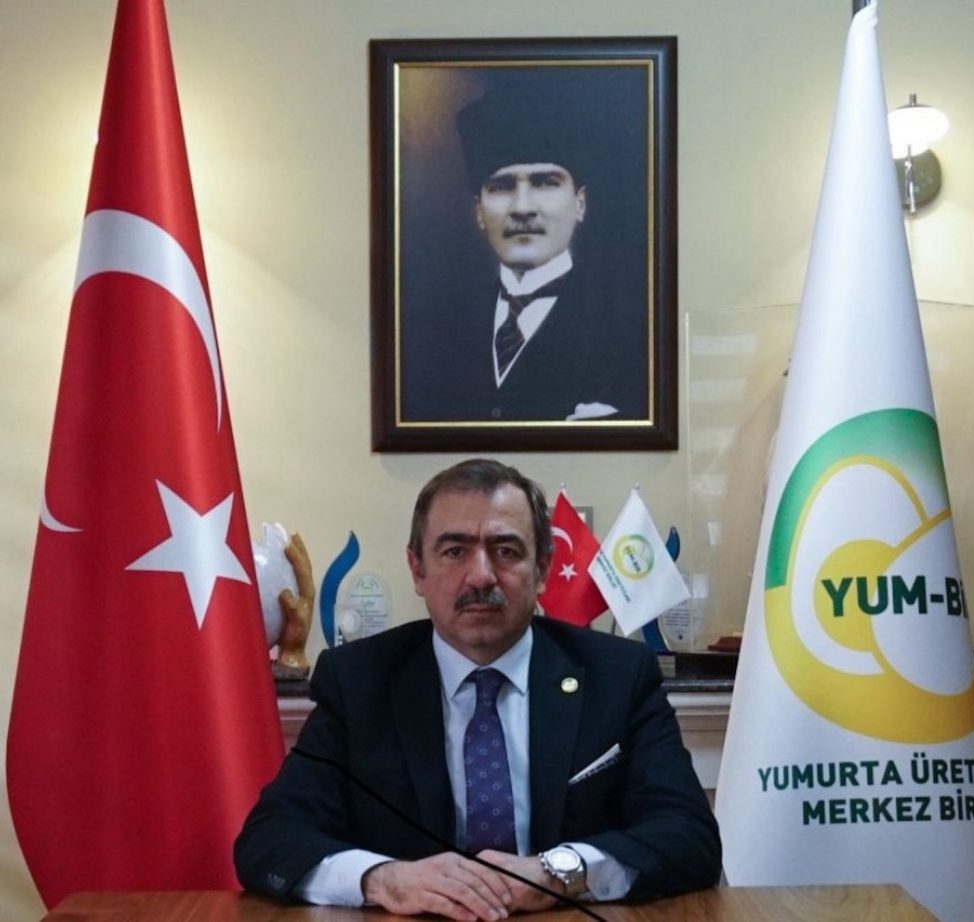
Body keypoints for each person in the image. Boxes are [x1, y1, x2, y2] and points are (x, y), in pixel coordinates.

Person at [234, 459, 721, 918]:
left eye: (506, 551)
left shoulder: (617, 675)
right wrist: (384, 880)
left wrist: (558, 873)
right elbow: (269, 840)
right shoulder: (358, 680)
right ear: (418, 570)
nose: (482, 575)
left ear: (543, 569)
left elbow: (689, 837)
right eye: (455, 551)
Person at [399, 74, 650, 424]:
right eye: (501, 187)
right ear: (479, 212)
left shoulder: (629, 325)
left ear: (580, 203)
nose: (522, 208)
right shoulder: (438, 330)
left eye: (545, 183)